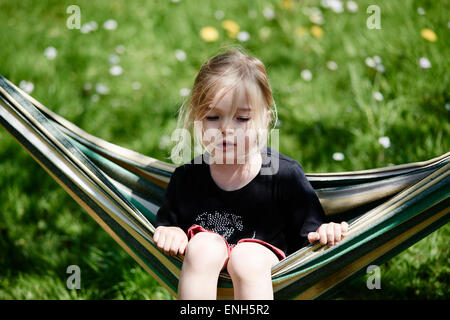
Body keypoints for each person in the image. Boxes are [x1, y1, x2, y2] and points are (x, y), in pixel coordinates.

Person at [153, 47, 348, 300]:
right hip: (205, 266)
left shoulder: (285, 176)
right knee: (202, 246)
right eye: (213, 117)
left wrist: (325, 232)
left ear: (265, 120)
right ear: (196, 118)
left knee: (247, 258)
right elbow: (169, 225)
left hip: (261, 268)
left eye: (242, 119)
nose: (225, 129)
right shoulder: (187, 178)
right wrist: (171, 232)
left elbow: (310, 235)